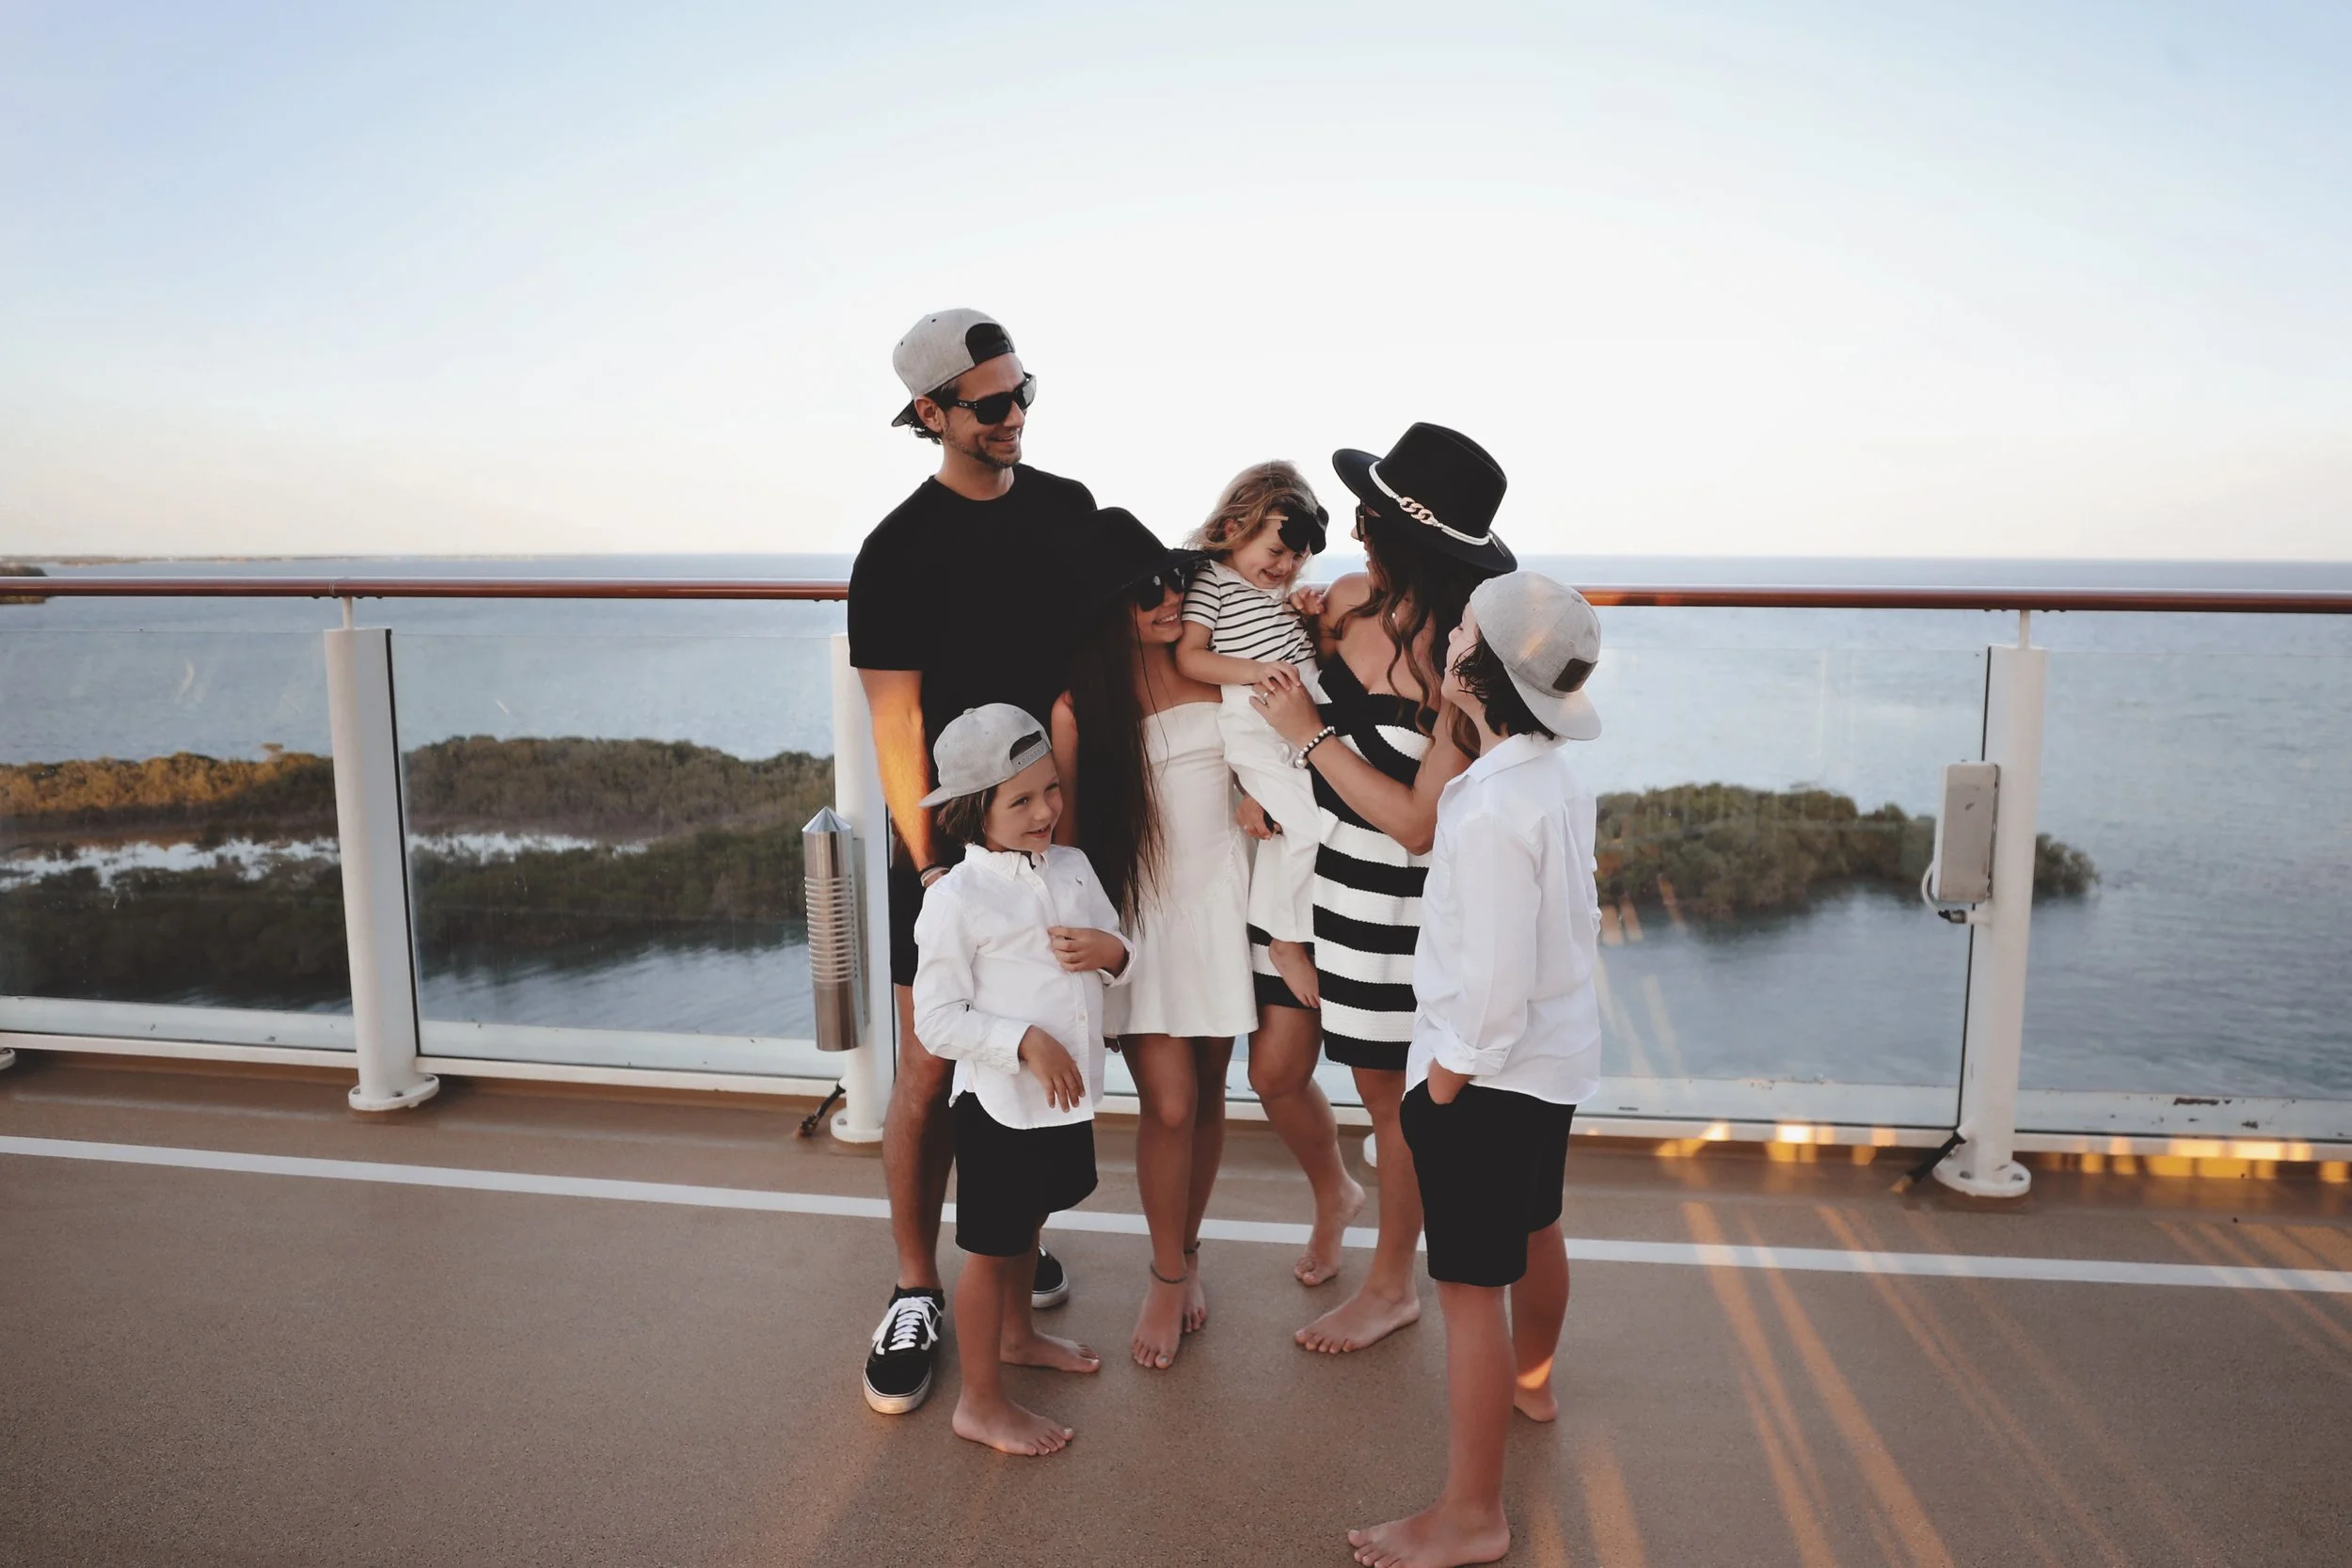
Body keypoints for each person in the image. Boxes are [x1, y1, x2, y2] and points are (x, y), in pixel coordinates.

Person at [850, 309, 1103, 1416]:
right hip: (948, 859)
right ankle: (917, 1287)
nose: (1013, 418)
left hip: (1051, 836)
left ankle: (1003, 1257)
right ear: (930, 414)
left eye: (1021, 393)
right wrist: (931, 872)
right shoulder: (893, 552)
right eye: (990, 404)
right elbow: (896, 730)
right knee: (928, 1067)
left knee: (1034, 1056)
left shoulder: (1065, 511)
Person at [1346, 573, 1604, 1568]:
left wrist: (1442, 1084)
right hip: (1550, 1062)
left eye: (1458, 629)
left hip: (1485, 1075)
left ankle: (1470, 1513)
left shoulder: (1486, 810)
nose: (1445, 633)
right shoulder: (1548, 778)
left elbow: (1490, 979)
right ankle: (1531, 1382)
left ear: (1472, 666)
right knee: (1536, 1224)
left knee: (1465, 1288)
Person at [1250, 423, 1516, 1353]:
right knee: (1287, 1068)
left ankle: (1391, 1284)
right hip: (1306, 880)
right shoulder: (1354, 602)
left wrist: (1307, 737)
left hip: (1390, 905)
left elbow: (1417, 821)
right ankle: (1360, 1224)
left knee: (1388, 1099)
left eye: (1368, 517)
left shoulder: (1461, 660)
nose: (1354, 531)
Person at [1055, 509, 1255, 1370]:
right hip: (1140, 918)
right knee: (1168, 1101)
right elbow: (1058, 844)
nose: (1171, 595)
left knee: (1208, 1092)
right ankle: (1166, 1273)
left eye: (1175, 578)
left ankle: (1189, 1252)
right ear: (1108, 608)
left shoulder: (1213, 674)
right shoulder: (1078, 706)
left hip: (1225, 906)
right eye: (1147, 590)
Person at [909, 704, 1131, 1456]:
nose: (1046, 811)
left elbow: (1121, 947)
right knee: (991, 1247)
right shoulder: (955, 900)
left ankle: (1018, 1334)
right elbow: (934, 1021)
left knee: (1031, 1223)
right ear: (978, 810)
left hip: (1063, 1103)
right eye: (1023, 800)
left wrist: (1111, 948)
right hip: (1001, 1105)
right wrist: (1023, 1040)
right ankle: (980, 1402)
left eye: (1052, 790)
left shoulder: (1072, 867)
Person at [1173, 461, 1330, 1009]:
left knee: (1314, 822)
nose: (1284, 566)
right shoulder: (1213, 582)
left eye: (1296, 559)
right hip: (1258, 717)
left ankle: (1293, 927)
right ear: (1233, 529)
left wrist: (1306, 620)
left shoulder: (1277, 595)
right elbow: (1191, 657)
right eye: (1275, 553)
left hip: (1300, 710)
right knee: (1312, 827)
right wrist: (1254, 671)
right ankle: (1284, 939)